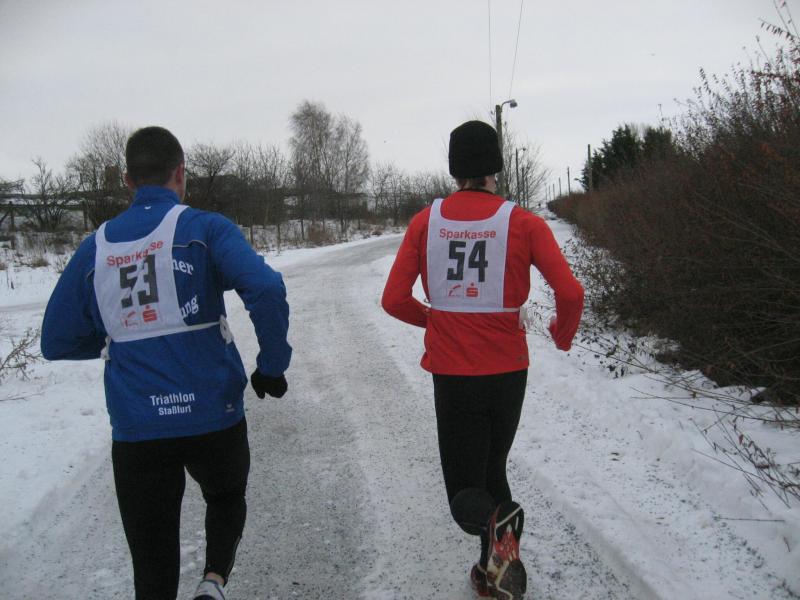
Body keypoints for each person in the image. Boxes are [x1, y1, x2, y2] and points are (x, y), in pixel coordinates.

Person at [41, 126, 291, 600]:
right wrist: (272, 365)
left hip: (138, 426)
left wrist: (119, 336)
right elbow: (265, 288)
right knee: (225, 496)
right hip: (213, 414)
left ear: (127, 182)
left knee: (151, 556)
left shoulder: (95, 247)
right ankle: (213, 582)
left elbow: (55, 340)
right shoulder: (206, 228)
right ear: (181, 174)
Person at [381, 120, 583, 599]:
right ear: (496, 166)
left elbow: (393, 300)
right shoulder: (524, 222)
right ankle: (492, 572)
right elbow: (571, 293)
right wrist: (562, 334)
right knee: (493, 468)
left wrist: (435, 320)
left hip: (454, 374)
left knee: (464, 494)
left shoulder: (426, 222)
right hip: (509, 372)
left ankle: (494, 528)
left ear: (454, 169)